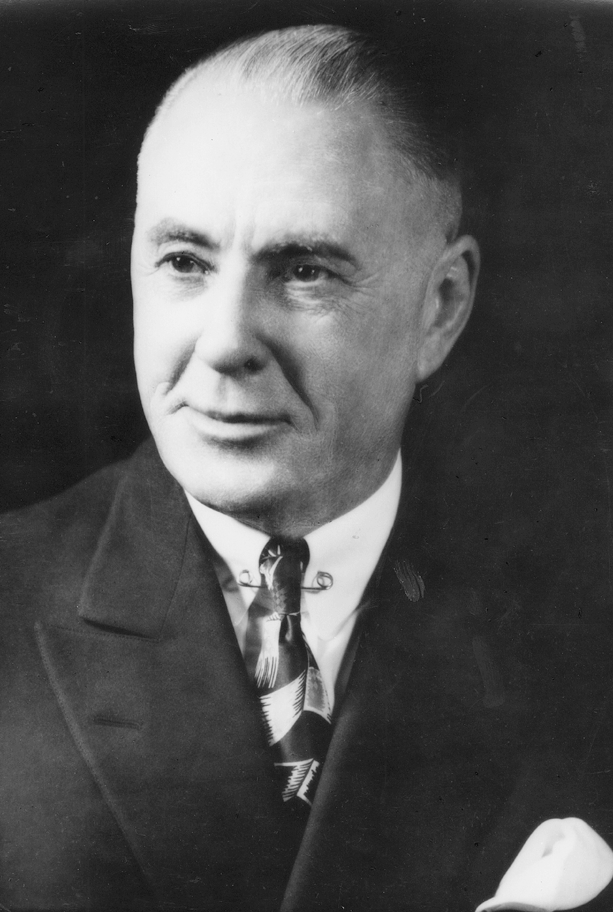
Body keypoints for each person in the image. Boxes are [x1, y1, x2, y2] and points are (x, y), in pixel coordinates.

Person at [0, 23, 611, 912]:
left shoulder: (578, 635)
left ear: (440, 306)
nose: (224, 342)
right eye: (183, 261)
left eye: (305, 272)